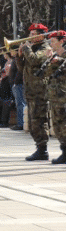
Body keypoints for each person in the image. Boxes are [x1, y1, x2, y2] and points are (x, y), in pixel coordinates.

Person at [19, 23, 52, 161]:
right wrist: (19, 56)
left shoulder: (45, 48)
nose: (30, 37)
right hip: (31, 89)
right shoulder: (32, 48)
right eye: (30, 34)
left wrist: (26, 49)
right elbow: (23, 68)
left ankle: (42, 149)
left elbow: (34, 60)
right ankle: (39, 147)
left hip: (40, 90)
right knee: (33, 122)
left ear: (41, 35)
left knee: (39, 120)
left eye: (34, 34)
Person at [46, 30, 66, 164]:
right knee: (58, 125)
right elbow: (45, 74)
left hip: (63, 95)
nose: (51, 44)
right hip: (55, 95)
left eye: (53, 41)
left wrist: (59, 61)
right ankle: (64, 150)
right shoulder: (53, 56)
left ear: (61, 41)